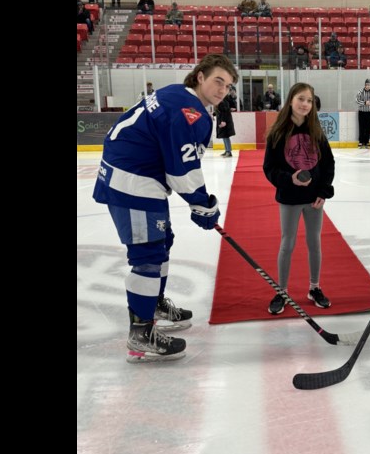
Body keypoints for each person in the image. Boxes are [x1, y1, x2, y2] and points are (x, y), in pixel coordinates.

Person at [92, 54, 238, 363]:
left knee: (162, 241)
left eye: (228, 85)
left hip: (134, 175)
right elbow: (181, 169)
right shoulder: (189, 112)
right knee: (148, 254)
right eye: (218, 81)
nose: (223, 89)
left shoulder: (175, 92)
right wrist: (203, 206)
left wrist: (200, 204)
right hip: (132, 181)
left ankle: (153, 304)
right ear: (200, 76)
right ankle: (141, 333)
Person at [263, 82, 335, 314]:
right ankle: (282, 291)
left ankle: (314, 287)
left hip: (314, 199)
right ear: (291, 100)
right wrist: (288, 179)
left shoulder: (316, 131)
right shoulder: (278, 132)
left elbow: (328, 164)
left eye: (309, 100)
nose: (305, 104)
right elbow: (269, 168)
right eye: (301, 99)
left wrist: (324, 191)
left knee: (314, 243)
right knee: (288, 244)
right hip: (290, 198)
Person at [216, 85, 237, 157]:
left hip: (224, 120)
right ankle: (227, 150)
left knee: (225, 136)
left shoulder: (224, 100)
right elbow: (220, 110)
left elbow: (225, 111)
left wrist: (223, 121)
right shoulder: (222, 100)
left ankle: (229, 151)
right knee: (224, 136)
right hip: (222, 119)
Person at [355, 78, 370, 149]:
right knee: (361, 127)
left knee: (368, 127)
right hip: (362, 112)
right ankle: (361, 142)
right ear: (365, 85)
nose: (368, 86)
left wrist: (369, 103)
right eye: (367, 84)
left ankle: (367, 142)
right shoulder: (360, 92)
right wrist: (364, 102)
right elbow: (357, 101)